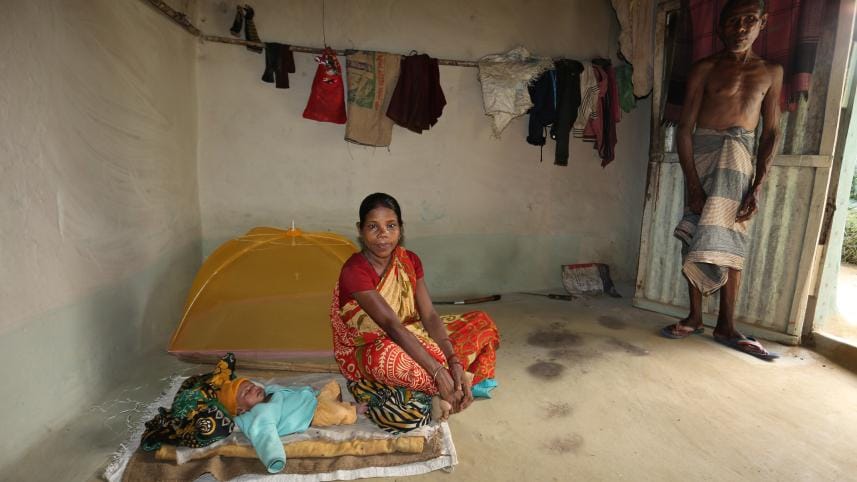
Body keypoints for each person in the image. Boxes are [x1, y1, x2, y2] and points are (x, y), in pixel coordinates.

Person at [660, 0, 782, 360]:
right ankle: (695, 316)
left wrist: (758, 184)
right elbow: (684, 129)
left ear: (763, 23)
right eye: (732, 22)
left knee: (732, 240)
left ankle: (727, 324)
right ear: (720, 28)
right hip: (703, 156)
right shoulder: (704, 68)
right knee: (696, 230)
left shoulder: (771, 71)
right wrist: (694, 185)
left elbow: (771, 131)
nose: (740, 28)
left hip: (740, 161)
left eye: (748, 21)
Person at [330, 192, 500, 433]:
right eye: (373, 227)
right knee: (389, 361)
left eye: (391, 226)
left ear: (401, 228)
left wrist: (452, 361)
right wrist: (439, 371)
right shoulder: (354, 270)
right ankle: (448, 386)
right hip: (371, 346)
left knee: (481, 323)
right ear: (360, 229)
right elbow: (392, 326)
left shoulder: (409, 260)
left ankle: (448, 383)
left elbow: (429, 315)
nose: (383, 235)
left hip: (413, 333)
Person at [217, 377, 362, 473]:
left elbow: (292, 392)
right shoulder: (261, 415)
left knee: (333, 385)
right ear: (241, 410)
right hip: (313, 414)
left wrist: (311, 391)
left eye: (252, 386)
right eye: (247, 392)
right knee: (338, 413)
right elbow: (265, 437)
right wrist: (273, 458)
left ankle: (334, 402)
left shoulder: (270, 391)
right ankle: (351, 408)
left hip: (314, 399)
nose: (254, 389)